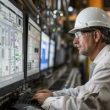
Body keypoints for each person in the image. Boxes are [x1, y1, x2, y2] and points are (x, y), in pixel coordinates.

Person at [33, 7, 110, 110]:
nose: (74, 41)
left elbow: (87, 106)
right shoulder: (103, 60)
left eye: (78, 34)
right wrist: (54, 94)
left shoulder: (106, 64)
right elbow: (86, 90)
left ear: (96, 35)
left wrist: (48, 101)